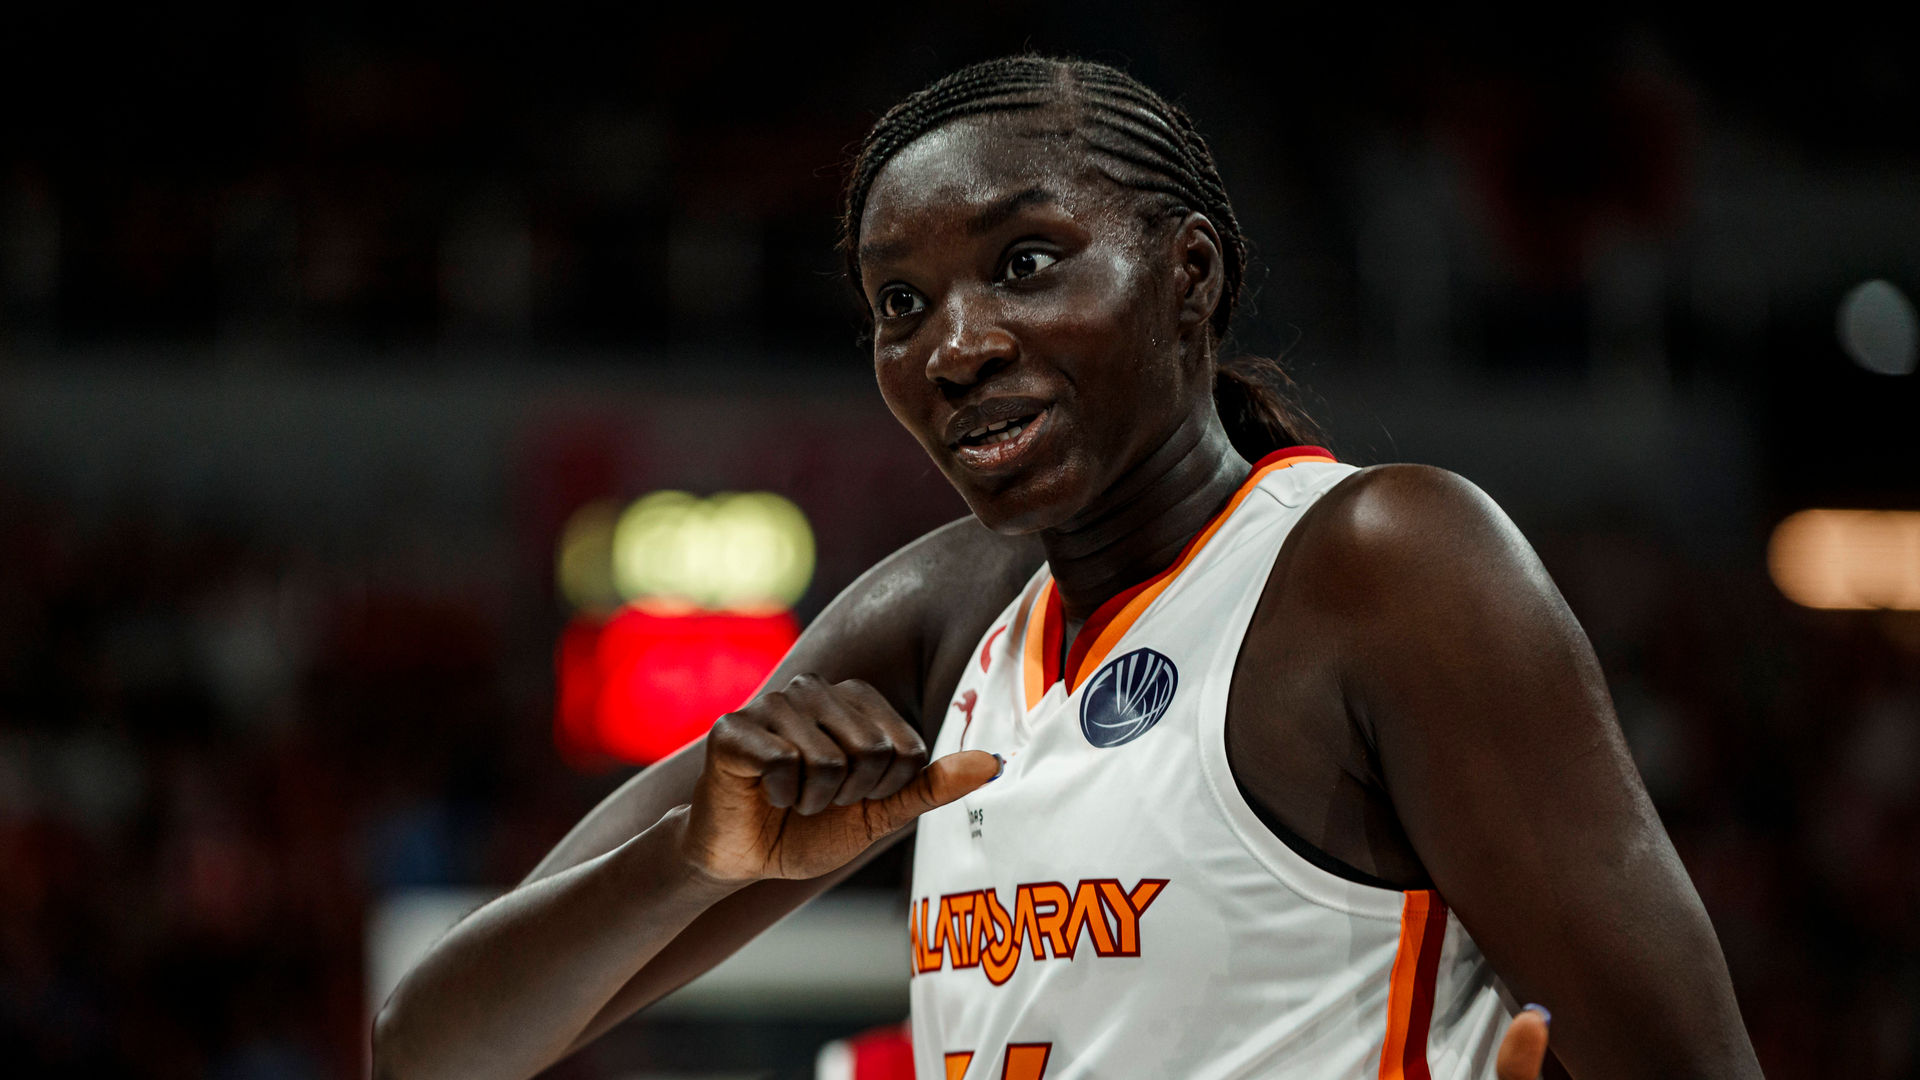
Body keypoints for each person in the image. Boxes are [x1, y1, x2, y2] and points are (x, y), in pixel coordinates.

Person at [372, 56, 1761, 1080]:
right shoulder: (938, 617)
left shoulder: (1381, 567)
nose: (955, 345)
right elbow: (431, 1044)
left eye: (1027, 262)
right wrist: (690, 863)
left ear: (1188, 276)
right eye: (900, 304)